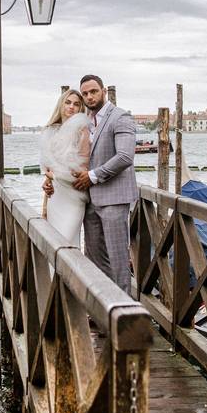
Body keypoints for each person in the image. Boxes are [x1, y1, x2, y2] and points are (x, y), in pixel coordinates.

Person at [44, 75, 136, 294]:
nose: (89, 97)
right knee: (95, 259)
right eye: (85, 93)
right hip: (90, 200)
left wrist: (93, 176)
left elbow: (124, 157)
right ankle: (102, 309)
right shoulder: (87, 120)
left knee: (118, 259)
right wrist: (51, 179)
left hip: (114, 198)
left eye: (93, 92)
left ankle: (123, 313)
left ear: (103, 91)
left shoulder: (120, 117)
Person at [39, 89, 90, 246]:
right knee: (53, 245)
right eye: (67, 102)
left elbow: (81, 167)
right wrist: (47, 180)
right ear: (61, 105)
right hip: (55, 196)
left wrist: (52, 176)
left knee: (67, 243)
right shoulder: (50, 131)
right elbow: (47, 167)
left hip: (74, 195)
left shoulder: (83, 130)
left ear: (81, 109)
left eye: (76, 104)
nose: (71, 107)